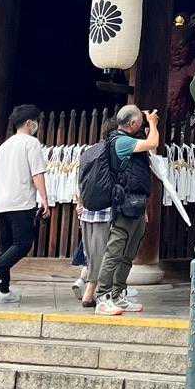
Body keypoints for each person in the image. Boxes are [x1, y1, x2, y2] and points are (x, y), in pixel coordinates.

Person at [0, 104, 50, 301]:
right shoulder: (31, 143)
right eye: (36, 121)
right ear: (29, 123)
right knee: (23, 243)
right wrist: (44, 199)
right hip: (21, 201)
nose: (37, 125)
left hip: (2, 201)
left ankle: (2, 290)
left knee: (7, 245)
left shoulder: (5, 145)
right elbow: (37, 173)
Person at [94, 103, 160, 317]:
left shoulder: (129, 141)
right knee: (115, 251)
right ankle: (103, 297)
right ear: (132, 123)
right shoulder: (120, 141)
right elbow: (153, 143)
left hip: (136, 204)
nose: (141, 124)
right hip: (123, 205)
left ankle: (117, 294)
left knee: (129, 253)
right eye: (139, 121)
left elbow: (150, 149)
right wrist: (153, 124)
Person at [73, 115, 127, 312]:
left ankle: (91, 288)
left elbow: (79, 181)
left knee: (91, 253)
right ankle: (91, 293)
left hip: (87, 210)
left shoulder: (89, 151)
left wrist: (80, 204)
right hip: (105, 210)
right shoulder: (115, 151)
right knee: (104, 253)